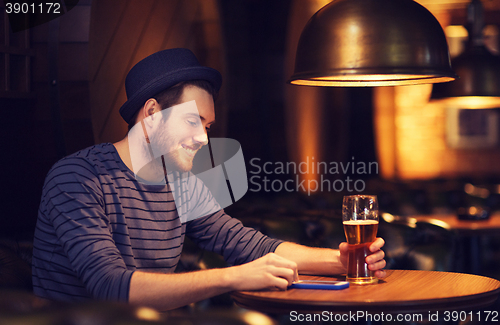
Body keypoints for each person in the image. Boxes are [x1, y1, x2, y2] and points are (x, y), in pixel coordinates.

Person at [32, 48, 386, 311]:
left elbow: (249, 244)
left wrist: (340, 262)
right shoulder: (77, 178)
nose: (203, 138)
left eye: (208, 126)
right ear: (152, 114)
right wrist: (234, 277)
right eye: (193, 121)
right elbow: (110, 287)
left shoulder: (181, 184)